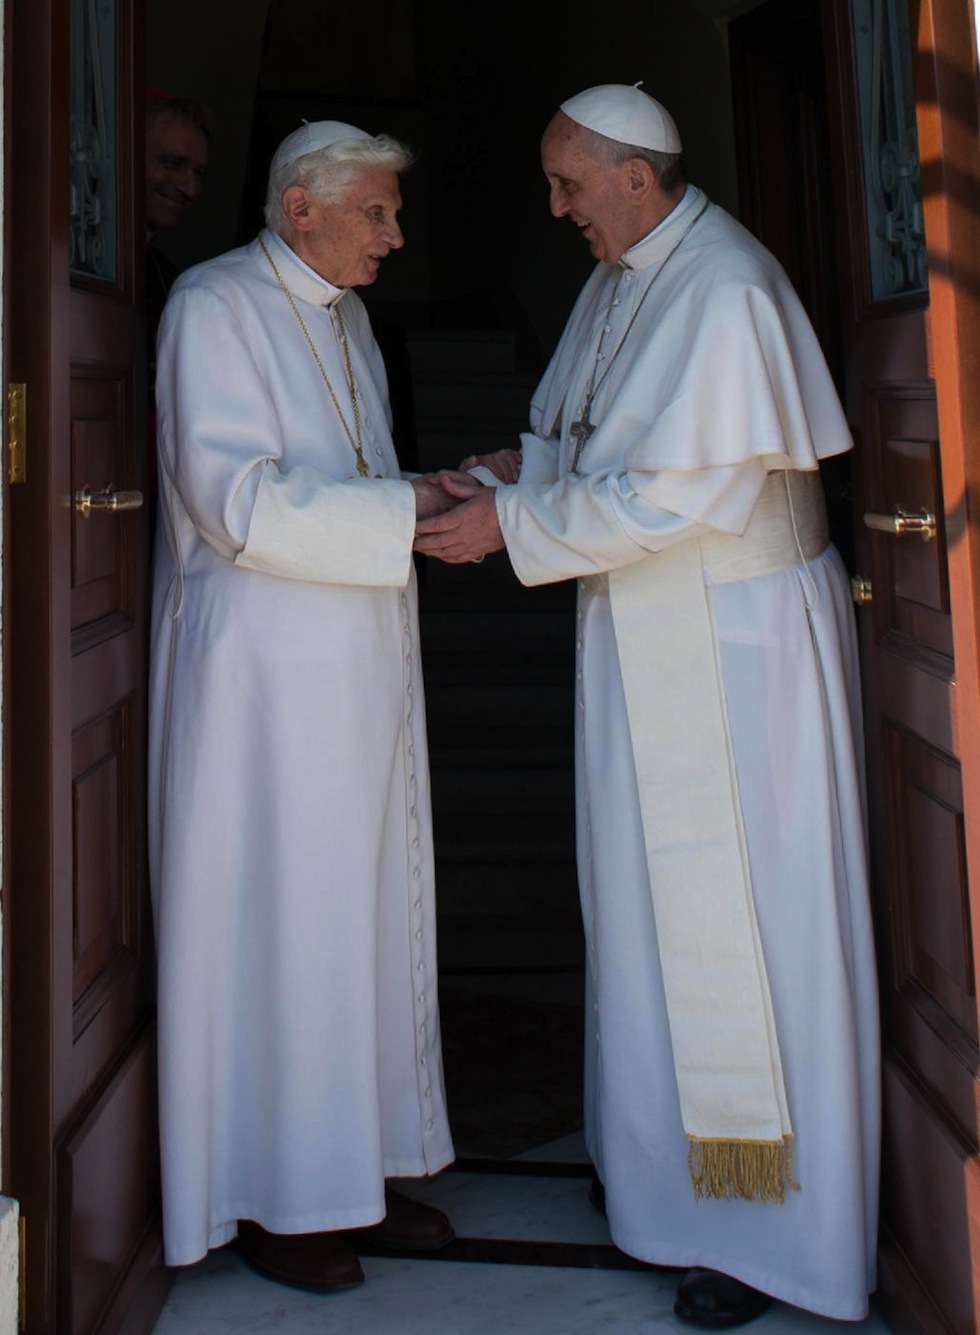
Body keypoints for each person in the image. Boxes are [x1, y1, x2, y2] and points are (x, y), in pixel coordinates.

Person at [416, 84, 880, 1326]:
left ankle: (775, 1235)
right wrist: (518, 470)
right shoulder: (625, 278)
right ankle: (667, 1190)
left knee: (748, 921)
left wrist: (507, 524)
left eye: (570, 184)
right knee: (637, 912)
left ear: (635, 174)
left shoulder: (724, 289)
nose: (555, 206)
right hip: (645, 631)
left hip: (734, 650)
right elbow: (603, 448)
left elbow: (679, 500)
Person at [149, 119, 461, 1292]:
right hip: (265, 689)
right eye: (375, 213)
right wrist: (407, 517)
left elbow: (356, 485)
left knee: (364, 922)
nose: (392, 235)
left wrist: (426, 491)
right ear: (299, 210)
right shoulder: (214, 306)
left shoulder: (352, 321)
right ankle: (279, 1199)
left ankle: (357, 1175)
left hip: (358, 667)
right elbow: (235, 500)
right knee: (287, 930)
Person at [146, 95, 214, 350]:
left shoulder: (167, 277)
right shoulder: (71, 255)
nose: (190, 189)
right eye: (173, 164)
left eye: (199, 174)